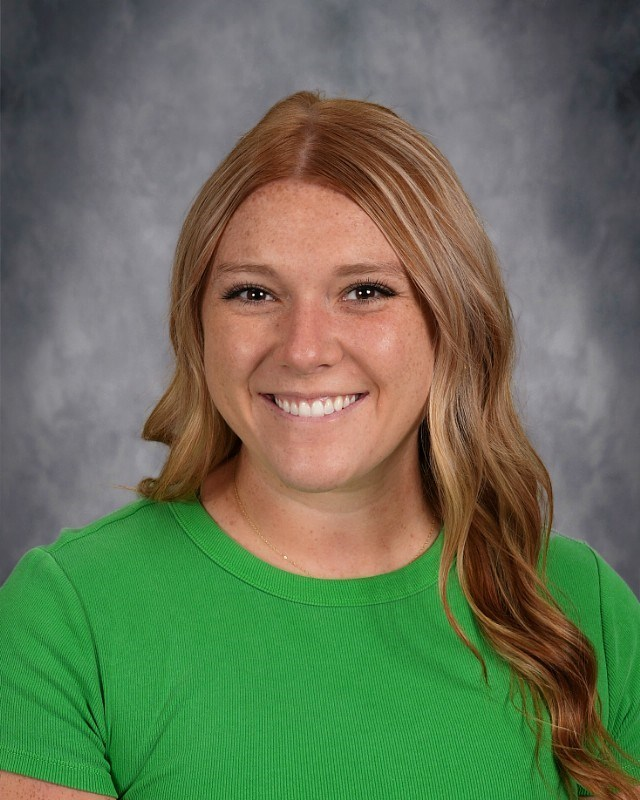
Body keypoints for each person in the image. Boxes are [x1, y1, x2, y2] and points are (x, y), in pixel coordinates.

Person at [0, 91, 638, 800]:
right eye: (253, 294)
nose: (304, 350)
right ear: (197, 326)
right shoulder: (69, 614)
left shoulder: (581, 608)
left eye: (365, 292)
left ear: (453, 321)